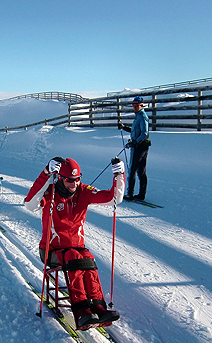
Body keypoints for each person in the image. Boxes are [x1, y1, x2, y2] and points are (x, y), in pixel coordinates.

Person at [24, 156, 125, 329]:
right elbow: (30, 204)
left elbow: (112, 199)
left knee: (87, 256)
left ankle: (99, 307)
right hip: (51, 250)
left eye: (77, 179)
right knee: (73, 257)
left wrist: (119, 175)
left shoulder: (83, 191)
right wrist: (46, 173)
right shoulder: (50, 192)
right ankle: (81, 311)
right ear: (61, 179)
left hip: (76, 248)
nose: (74, 184)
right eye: (70, 181)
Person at [118, 96, 151, 201]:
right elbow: (135, 131)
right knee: (141, 171)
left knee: (133, 170)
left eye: (137, 106)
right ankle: (141, 194)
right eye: (133, 105)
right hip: (140, 146)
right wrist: (124, 127)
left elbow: (144, 133)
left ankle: (130, 194)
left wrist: (135, 143)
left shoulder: (142, 117)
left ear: (142, 106)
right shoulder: (138, 116)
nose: (135, 107)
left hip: (140, 147)